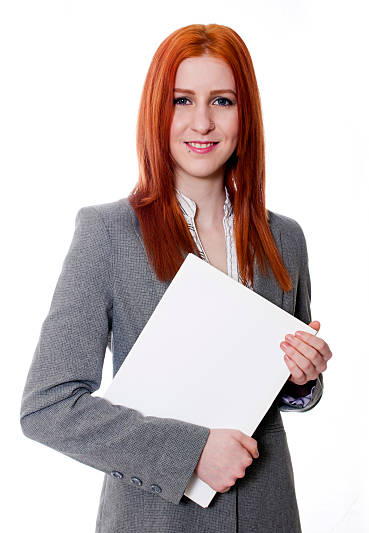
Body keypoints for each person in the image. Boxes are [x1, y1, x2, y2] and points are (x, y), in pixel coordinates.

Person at [19, 23, 332, 533]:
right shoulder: (108, 234)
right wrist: (190, 453)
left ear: (244, 113)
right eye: (182, 100)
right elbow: (48, 408)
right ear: (156, 112)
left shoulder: (286, 238)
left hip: (266, 514)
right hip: (154, 518)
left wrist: (303, 377)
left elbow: (277, 390)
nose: (202, 122)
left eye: (223, 101)